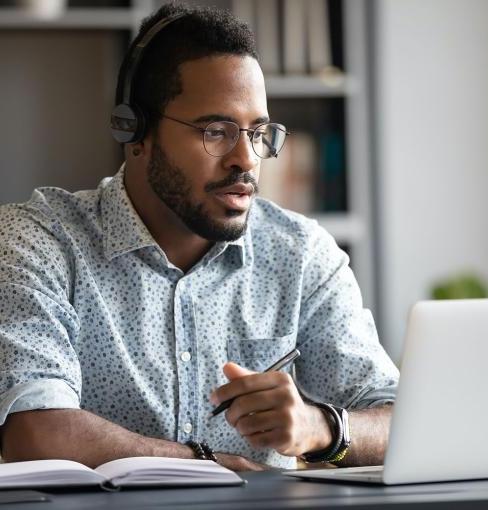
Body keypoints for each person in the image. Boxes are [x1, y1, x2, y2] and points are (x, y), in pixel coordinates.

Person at [0, 3, 398, 471]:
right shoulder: (37, 240)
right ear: (135, 131)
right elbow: (35, 430)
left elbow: (401, 421)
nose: (246, 159)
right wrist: (209, 463)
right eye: (216, 130)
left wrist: (322, 427)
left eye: (258, 133)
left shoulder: (301, 254)